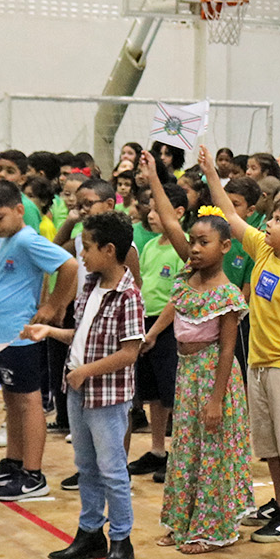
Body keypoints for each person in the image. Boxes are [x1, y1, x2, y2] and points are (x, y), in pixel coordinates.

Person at [199, 147, 280, 542]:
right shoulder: (264, 250)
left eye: (278, 220)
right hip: (258, 362)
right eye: (271, 218)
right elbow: (230, 215)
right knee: (269, 443)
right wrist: (211, 173)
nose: (268, 224)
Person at [30, 211, 146, 559]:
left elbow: (130, 353)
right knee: (86, 467)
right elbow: (80, 336)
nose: (82, 254)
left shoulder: (128, 296)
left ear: (109, 250)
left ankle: (121, 539)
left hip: (106, 397)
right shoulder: (90, 287)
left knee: (113, 470)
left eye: (88, 247)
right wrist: (50, 332)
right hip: (78, 391)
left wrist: (85, 371)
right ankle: (90, 531)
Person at [144, 206, 252, 554]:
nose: (194, 248)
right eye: (192, 241)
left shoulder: (227, 294)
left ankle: (211, 529)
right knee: (186, 449)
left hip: (213, 376)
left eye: (204, 242)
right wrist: (153, 333)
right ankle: (182, 522)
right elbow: (174, 305)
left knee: (212, 452)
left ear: (225, 246)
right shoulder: (185, 281)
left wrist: (217, 399)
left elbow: (228, 350)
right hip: (187, 373)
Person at [0, 180, 79, 502]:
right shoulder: (7, 239)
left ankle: (33, 474)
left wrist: (52, 306)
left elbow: (69, 265)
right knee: (12, 401)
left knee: (29, 402)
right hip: (2, 336)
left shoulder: (26, 239)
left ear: (19, 210)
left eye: (0, 217)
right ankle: (14, 463)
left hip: (21, 336)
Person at [127, 178, 187, 481]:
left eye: (157, 210)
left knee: (172, 394)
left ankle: (178, 454)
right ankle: (157, 449)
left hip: (167, 329)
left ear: (178, 212)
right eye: (149, 210)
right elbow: (141, 284)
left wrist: (154, 332)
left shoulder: (182, 247)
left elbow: (178, 296)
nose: (151, 215)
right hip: (146, 325)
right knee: (151, 393)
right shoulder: (150, 245)